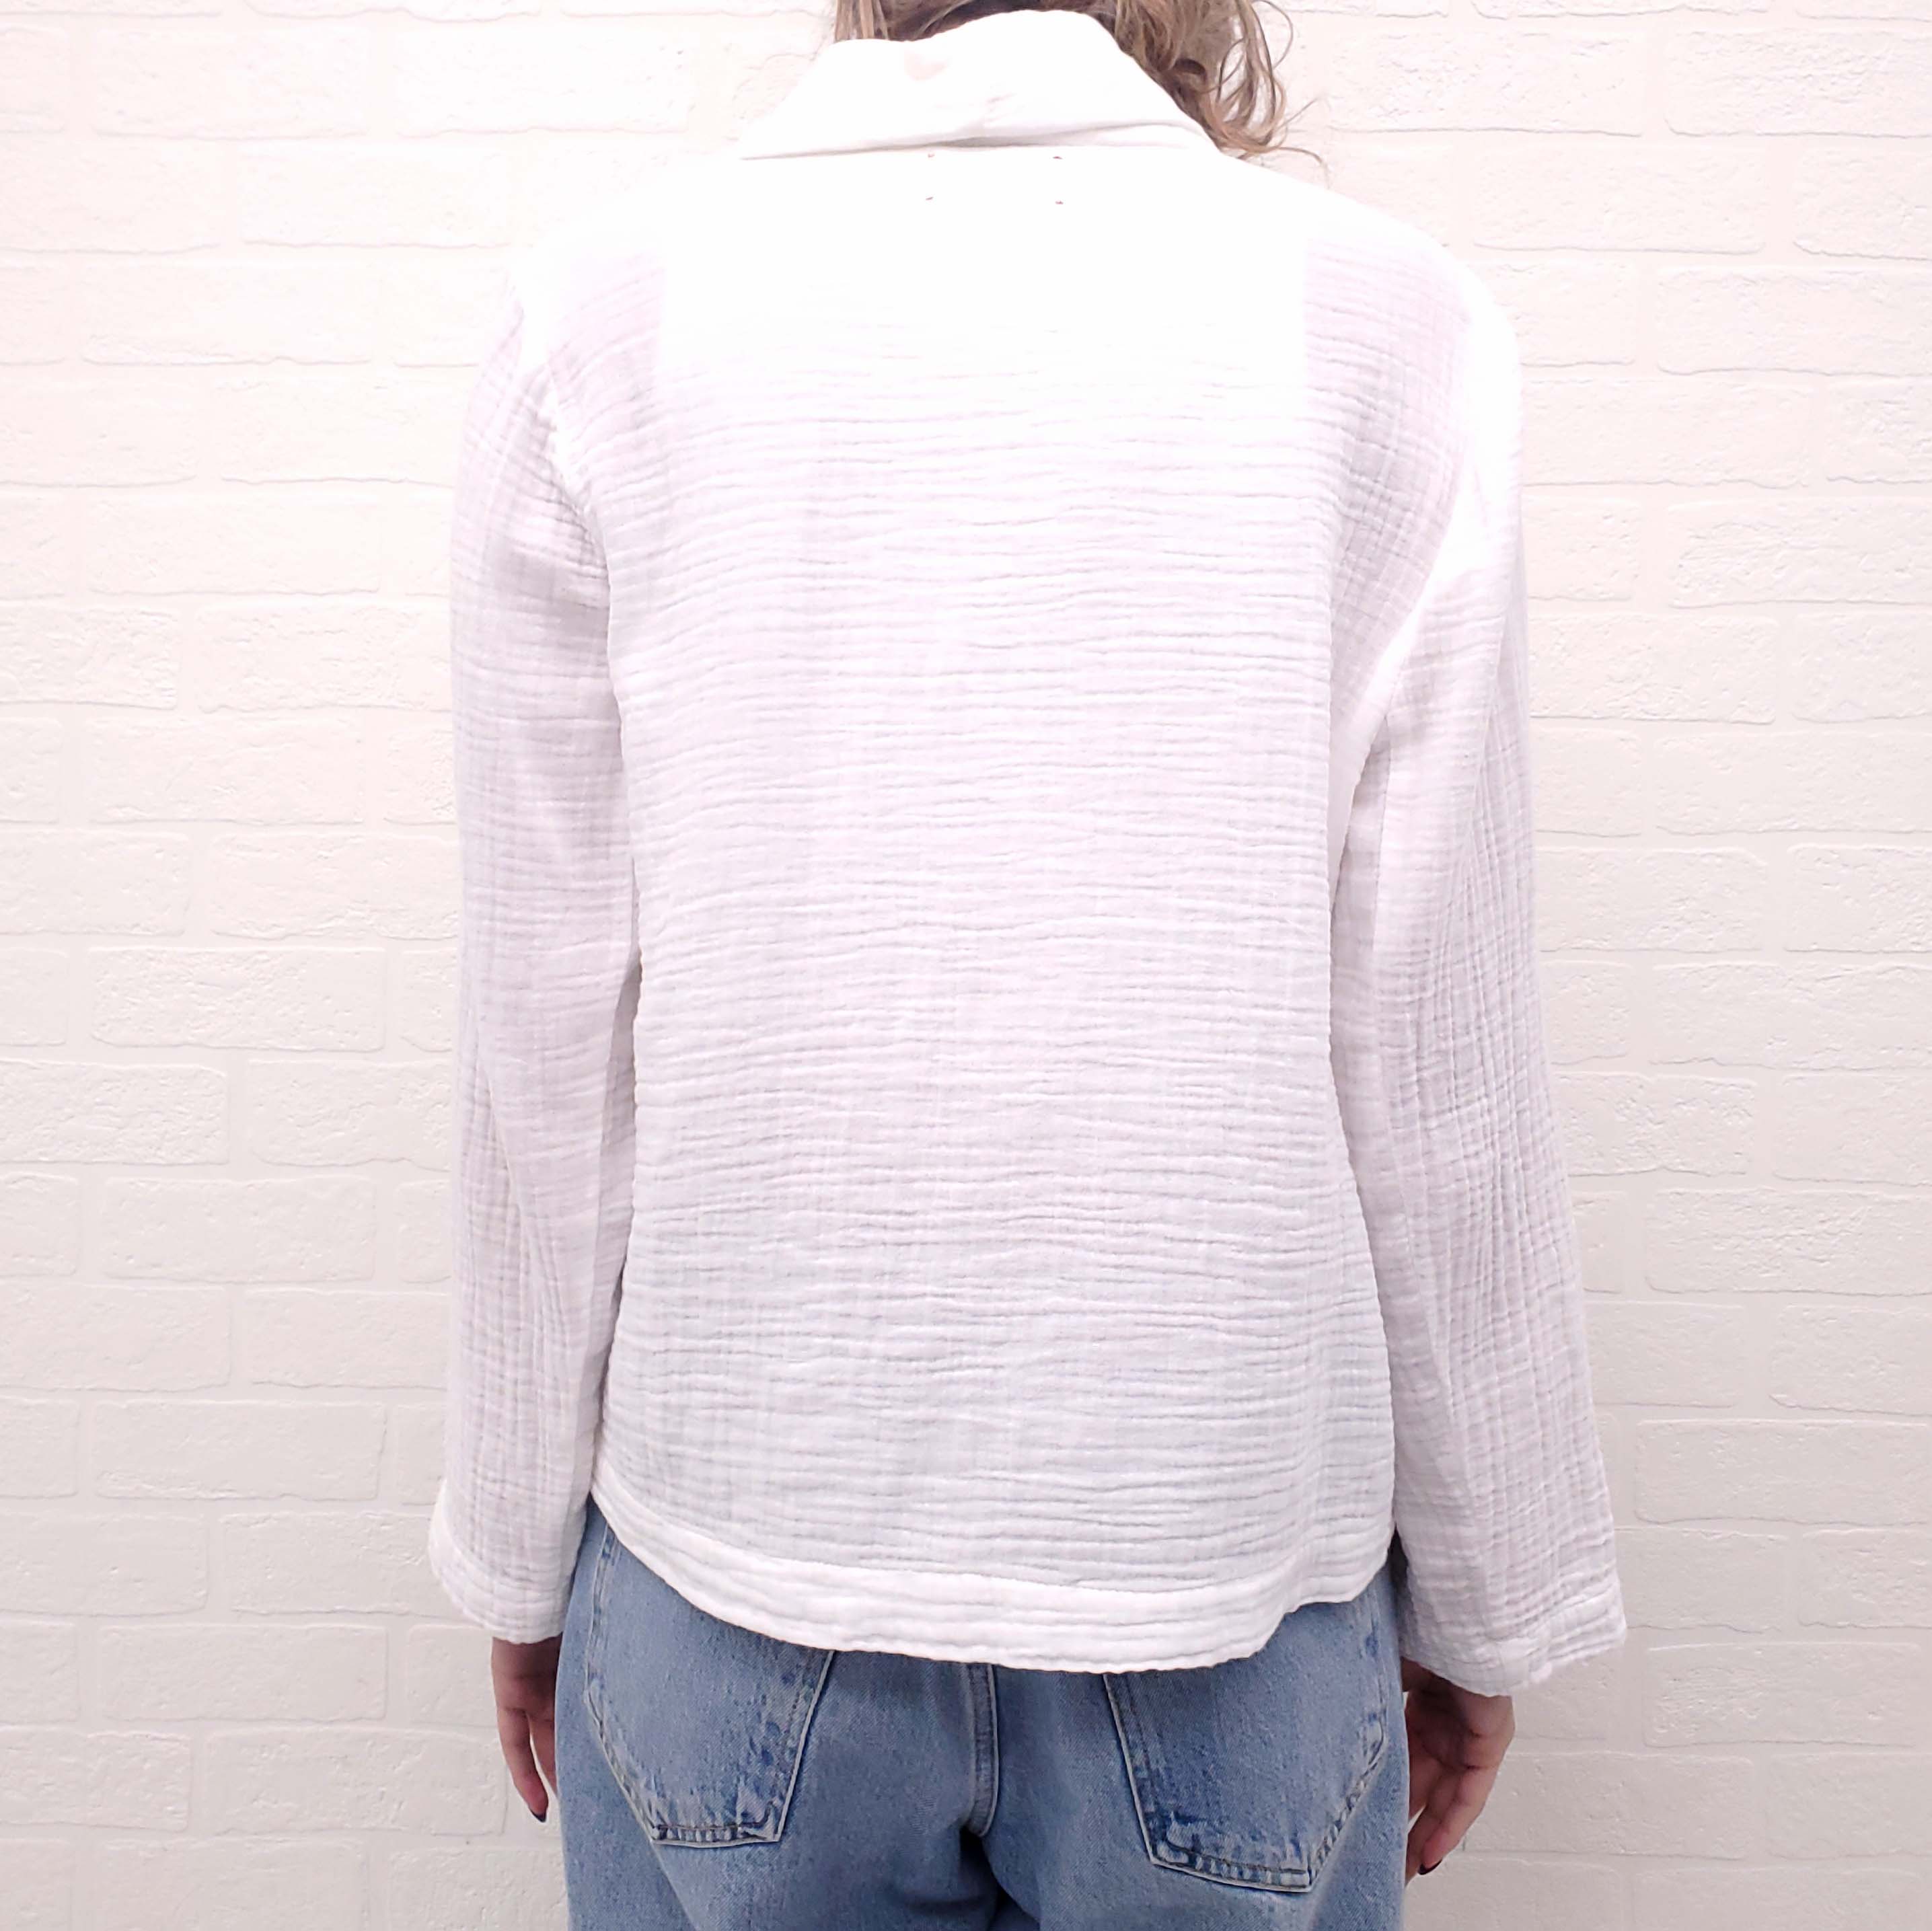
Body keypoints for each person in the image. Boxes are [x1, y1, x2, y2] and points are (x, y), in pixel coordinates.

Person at [428, 1, 1629, 1924]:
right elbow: (1439, 1052)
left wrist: (513, 1541)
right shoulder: (1387, 325)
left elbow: (546, 1038)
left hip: (740, 1545)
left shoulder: (602, 318)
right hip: (1214, 1559)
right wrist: (1488, 1596)